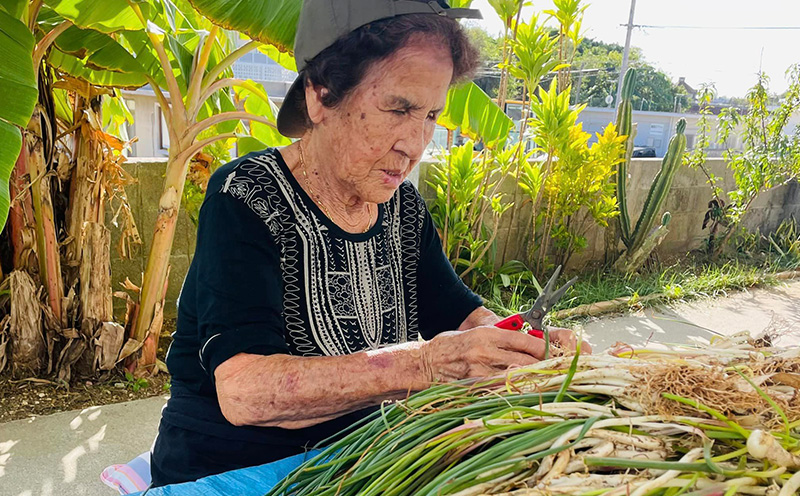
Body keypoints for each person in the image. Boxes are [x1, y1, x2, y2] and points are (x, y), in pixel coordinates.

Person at [150, 0, 590, 487]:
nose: (416, 143)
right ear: (320, 97)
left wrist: (521, 343)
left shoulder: (402, 209)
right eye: (398, 108)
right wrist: (425, 363)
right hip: (239, 469)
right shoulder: (247, 196)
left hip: (367, 456)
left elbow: (461, 316)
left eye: (430, 115)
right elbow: (245, 392)